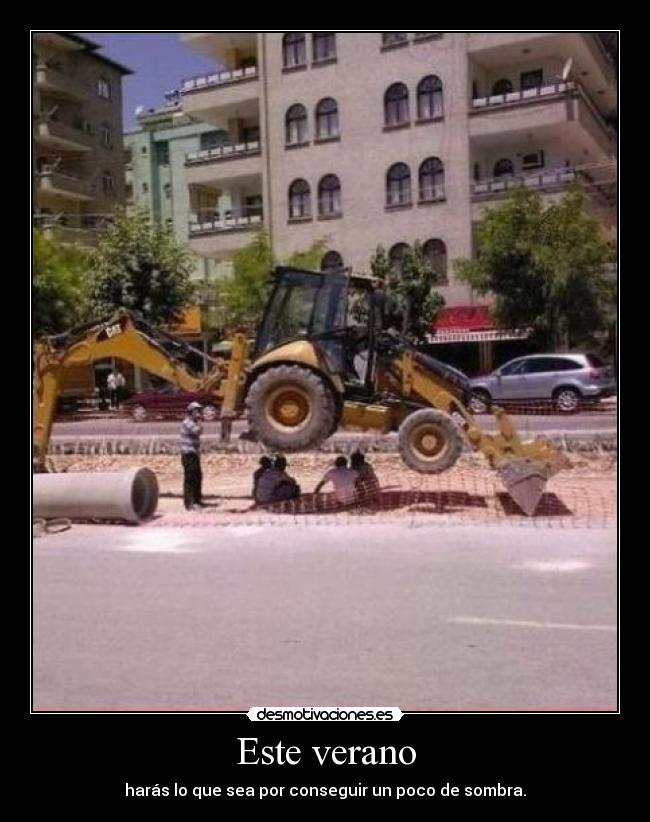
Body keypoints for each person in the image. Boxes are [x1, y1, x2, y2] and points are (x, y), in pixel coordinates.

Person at [180, 401, 204, 510]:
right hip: (188, 454)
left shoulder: (193, 422)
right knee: (190, 479)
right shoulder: (187, 422)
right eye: (197, 410)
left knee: (198, 477)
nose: (199, 412)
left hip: (194, 454)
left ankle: (197, 500)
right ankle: (190, 503)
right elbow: (198, 431)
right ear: (191, 411)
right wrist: (200, 420)